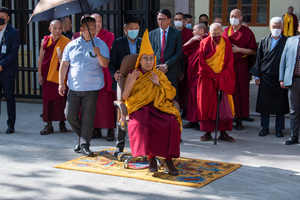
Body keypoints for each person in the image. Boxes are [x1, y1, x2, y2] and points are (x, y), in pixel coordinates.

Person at [123, 29, 181, 175]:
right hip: (139, 107)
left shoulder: (159, 74)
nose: (149, 62)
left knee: (171, 121)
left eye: (151, 58)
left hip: (158, 105)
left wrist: (158, 84)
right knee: (144, 124)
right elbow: (124, 96)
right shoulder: (133, 74)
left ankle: (168, 159)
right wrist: (131, 82)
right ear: (140, 60)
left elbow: (171, 93)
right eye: (145, 59)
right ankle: (151, 158)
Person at [59, 17, 110, 156]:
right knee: (69, 115)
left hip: (92, 87)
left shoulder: (101, 44)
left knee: (87, 117)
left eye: (94, 28)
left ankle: (85, 145)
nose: (93, 31)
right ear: (81, 29)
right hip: (74, 87)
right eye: (89, 28)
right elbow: (64, 65)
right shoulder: (71, 45)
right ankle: (82, 138)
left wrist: (98, 53)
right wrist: (60, 83)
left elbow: (105, 64)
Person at [250, 17, 289, 138]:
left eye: (278, 27)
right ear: (270, 27)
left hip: (280, 78)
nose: (276, 29)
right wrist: (257, 76)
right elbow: (258, 59)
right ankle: (265, 127)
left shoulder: (287, 41)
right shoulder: (264, 41)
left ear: (282, 27)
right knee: (264, 104)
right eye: (273, 27)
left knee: (280, 105)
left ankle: (279, 129)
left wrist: (286, 78)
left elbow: (289, 61)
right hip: (265, 77)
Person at [109, 15, 142, 156]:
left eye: (136, 28)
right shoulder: (118, 43)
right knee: (122, 111)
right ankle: (120, 145)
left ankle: (140, 144)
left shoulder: (143, 42)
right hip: (123, 80)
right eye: (131, 29)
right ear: (125, 29)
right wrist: (114, 74)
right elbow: (112, 64)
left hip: (140, 81)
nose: (134, 31)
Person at [197, 23, 235, 142]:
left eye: (218, 34)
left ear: (222, 32)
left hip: (222, 77)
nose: (216, 36)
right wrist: (213, 75)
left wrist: (221, 76)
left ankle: (223, 133)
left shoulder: (226, 42)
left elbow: (229, 60)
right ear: (209, 32)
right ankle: (207, 132)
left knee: (222, 104)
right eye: (214, 34)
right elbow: (201, 62)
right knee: (206, 104)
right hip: (207, 79)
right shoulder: (204, 43)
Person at [223, 9, 257, 130]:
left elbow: (254, 50)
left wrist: (238, 50)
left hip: (241, 65)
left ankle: (239, 119)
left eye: (235, 16)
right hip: (228, 66)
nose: (233, 18)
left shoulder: (247, 32)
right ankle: (228, 117)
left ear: (241, 18)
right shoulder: (226, 31)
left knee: (241, 92)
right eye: (231, 15)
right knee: (228, 92)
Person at [38, 20, 70, 135]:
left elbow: (70, 61)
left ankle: (62, 123)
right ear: (50, 29)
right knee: (48, 100)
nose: (57, 31)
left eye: (60, 28)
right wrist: (39, 75)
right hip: (47, 75)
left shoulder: (66, 42)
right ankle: (49, 124)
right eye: (54, 28)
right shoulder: (45, 41)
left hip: (60, 75)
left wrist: (62, 57)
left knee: (61, 100)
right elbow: (41, 59)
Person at [90, 13, 116, 141]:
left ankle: (110, 129)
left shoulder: (109, 36)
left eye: (100, 21)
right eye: (95, 21)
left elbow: (110, 53)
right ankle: (96, 129)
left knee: (106, 102)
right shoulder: (87, 36)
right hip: (92, 73)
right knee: (95, 103)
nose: (98, 24)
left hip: (105, 72)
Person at [149, 9, 183, 101]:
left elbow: (179, 53)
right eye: (158, 19)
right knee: (157, 98)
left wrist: (166, 65)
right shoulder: (151, 34)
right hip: (156, 71)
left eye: (163, 19)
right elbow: (149, 53)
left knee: (171, 98)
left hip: (171, 71)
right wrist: (157, 66)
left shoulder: (176, 33)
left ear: (169, 20)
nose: (160, 22)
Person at [182, 23, 208, 129]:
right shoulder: (195, 41)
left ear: (202, 31)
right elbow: (184, 49)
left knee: (201, 99)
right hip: (192, 75)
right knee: (192, 98)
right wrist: (191, 40)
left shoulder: (208, 41)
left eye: (194, 30)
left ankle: (203, 121)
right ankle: (193, 121)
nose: (192, 32)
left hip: (202, 75)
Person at [279, 20, 300, 145]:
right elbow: (283, 60)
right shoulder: (290, 41)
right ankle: (294, 136)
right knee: (294, 110)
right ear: (298, 28)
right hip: (294, 80)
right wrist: (282, 78)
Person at [0, 7, 19, 134]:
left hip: (7, 71)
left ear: (7, 18)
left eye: (3, 16)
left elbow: (13, 53)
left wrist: (1, 65)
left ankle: (10, 124)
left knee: (9, 98)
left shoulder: (13, 32)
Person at [174, 12, 193, 118]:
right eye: (176, 19)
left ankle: (185, 110)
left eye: (180, 19)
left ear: (184, 21)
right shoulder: (171, 32)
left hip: (186, 63)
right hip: (174, 64)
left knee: (185, 89)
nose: (178, 21)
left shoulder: (189, 33)